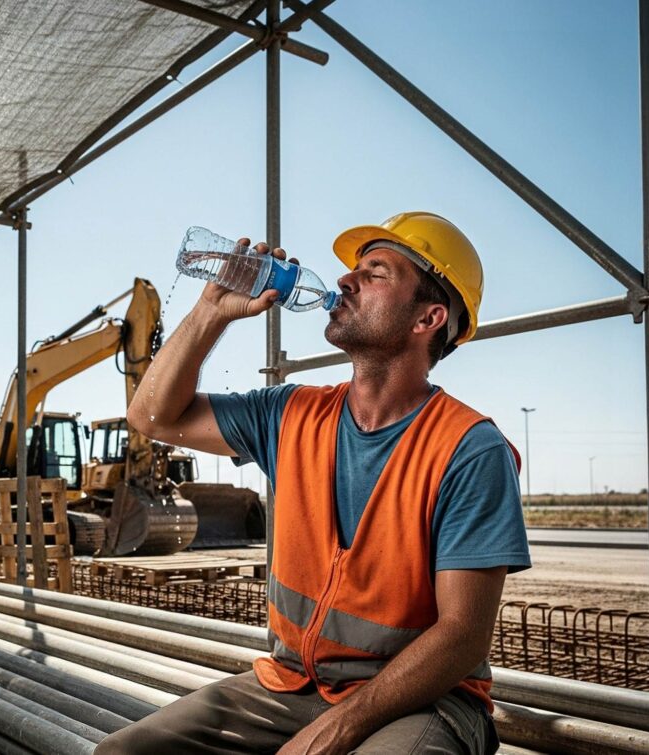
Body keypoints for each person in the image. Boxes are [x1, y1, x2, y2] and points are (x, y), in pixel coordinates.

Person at [96, 211, 531, 754]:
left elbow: (463, 636)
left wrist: (340, 726)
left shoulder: (469, 448)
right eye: (353, 269)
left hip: (422, 699)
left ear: (429, 317)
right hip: (293, 684)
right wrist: (212, 311)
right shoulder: (291, 414)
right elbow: (151, 416)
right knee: (122, 752)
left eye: (375, 273)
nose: (346, 281)